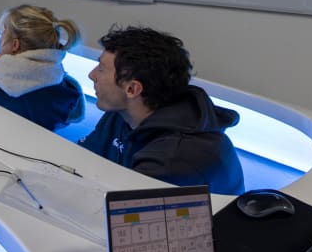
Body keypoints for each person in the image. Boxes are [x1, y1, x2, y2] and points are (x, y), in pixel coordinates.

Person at [78, 25, 245, 194]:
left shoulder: (172, 159)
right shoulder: (122, 112)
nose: (92, 75)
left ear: (132, 89)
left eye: (101, 69)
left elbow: (128, 212)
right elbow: (84, 160)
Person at [0, 4, 85, 131]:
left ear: (15, 45)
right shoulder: (66, 91)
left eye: (3, 31)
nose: (1, 36)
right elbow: (24, 77)